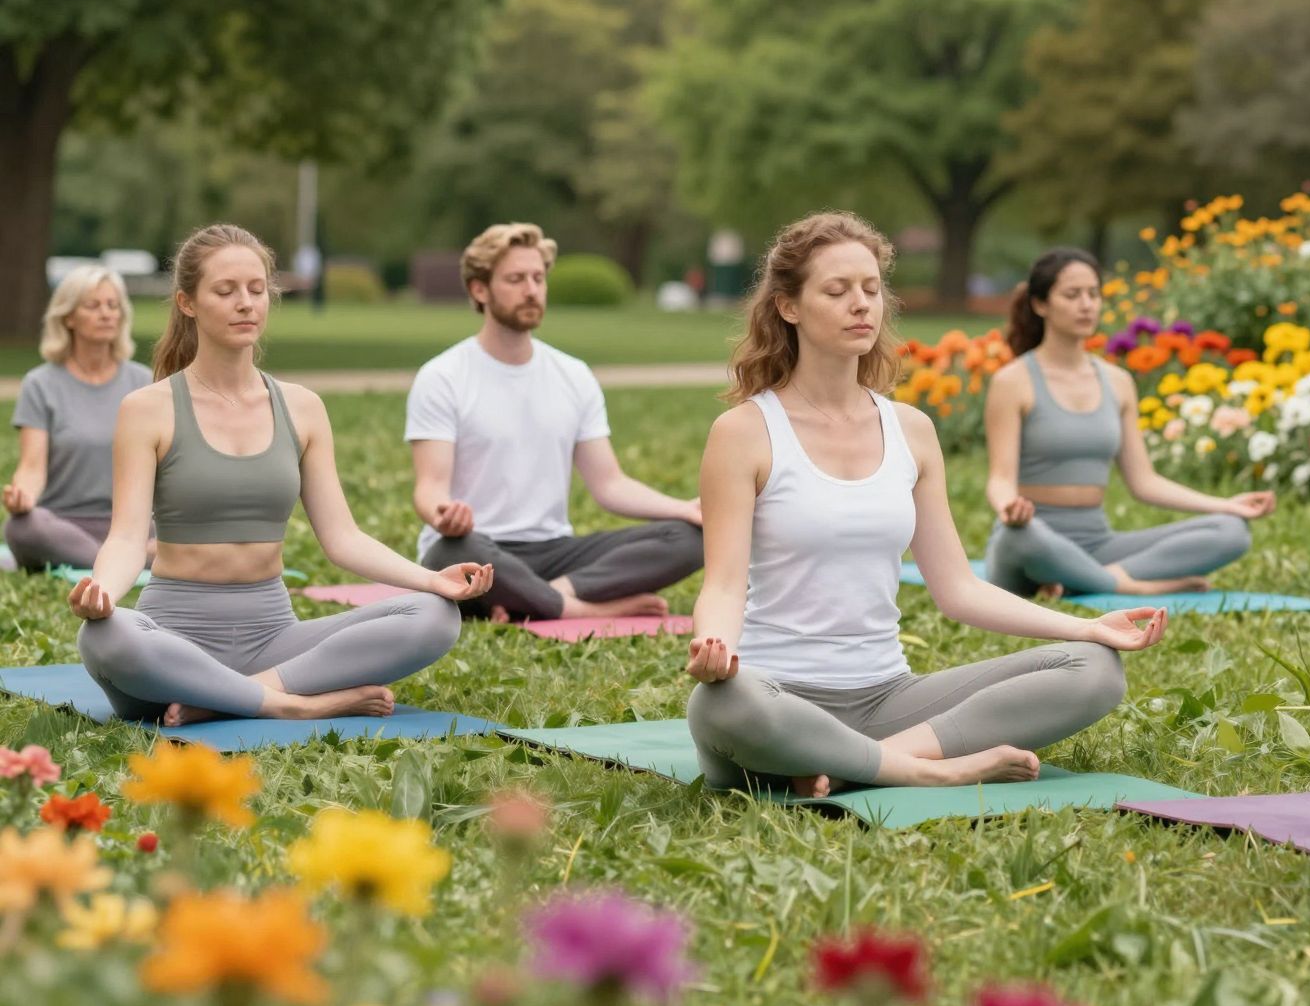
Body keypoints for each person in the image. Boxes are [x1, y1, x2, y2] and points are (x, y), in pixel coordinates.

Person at [684, 213, 1168, 796]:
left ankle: (855, 766)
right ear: (788, 306)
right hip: (778, 699)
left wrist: (1085, 626)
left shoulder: (911, 430)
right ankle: (928, 772)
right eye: (837, 292)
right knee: (719, 706)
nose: (861, 305)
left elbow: (958, 589)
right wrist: (716, 647)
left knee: (1093, 669)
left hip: (888, 699)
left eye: (870, 289)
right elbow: (725, 584)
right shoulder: (743, 431)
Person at [71, 225, 487, 725]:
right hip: (171, 647)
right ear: (187, 303)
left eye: (257, 289)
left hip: (275, 643)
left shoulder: (303, 407)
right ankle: (290, 706)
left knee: (435, 616)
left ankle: (233, 697)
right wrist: (103, 595)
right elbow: (126, 538)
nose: (246, 303)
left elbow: (343, 538)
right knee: (103, 637)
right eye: (225, 291)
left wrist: (431, 580)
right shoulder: (147, 409)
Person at [406, 223, 705, 621]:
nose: (531, 290)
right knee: (452, 552)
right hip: (473, 548)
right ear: (480, 289)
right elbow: (430, 489)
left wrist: (684, 509)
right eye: (515, 279)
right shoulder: (443, 376)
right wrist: (444, 515)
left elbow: (610, 484)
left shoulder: (573, 374)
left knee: (690, 538)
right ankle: (579, 609)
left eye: (538, 278)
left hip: (553, 552)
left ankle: (534, 600)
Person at [980, 248, 1273, 598]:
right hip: (1031, 538)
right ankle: (1130, 586)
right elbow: (1000, 479)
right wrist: (1009, 508)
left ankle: (1083, 579)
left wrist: (1225, 505)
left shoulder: (1118, 382)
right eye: (1072, 295)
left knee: (1231, 531)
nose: (1086, 304)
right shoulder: (1012, 382)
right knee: (1022, 537)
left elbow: (1144, 482)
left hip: (1098, 544)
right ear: (1041, 304)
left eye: (1093, 293)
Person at [5, 267, 153, 570]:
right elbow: (31, 468)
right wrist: (22, 496)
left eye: (113, 306)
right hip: (61, 525)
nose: (106, 314)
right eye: (93, 305)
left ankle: (116, 558)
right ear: (68, 317)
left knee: (197, 530)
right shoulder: (40, 384)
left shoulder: (144, 381)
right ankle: (125, 563)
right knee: (21, 527)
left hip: (131, 526)